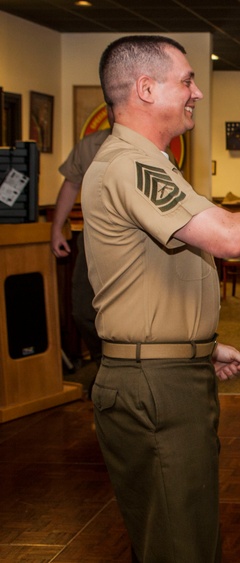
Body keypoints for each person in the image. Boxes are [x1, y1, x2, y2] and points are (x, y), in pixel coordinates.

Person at [83, 35, 240, 562]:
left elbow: (155, 271)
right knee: (182, 546)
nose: (197, 92)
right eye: (187, 80)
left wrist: (199, 345)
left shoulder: (149, 162)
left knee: (179, 534)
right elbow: (228, 238)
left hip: (169, 370)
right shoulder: (132, 164)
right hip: (154, 385)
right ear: (146, 89)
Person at [50, 110, 114, 391]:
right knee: (82, 310)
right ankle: (104, 364)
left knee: (128, 313)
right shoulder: (89, 145)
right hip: (93, 241)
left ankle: (119, 376)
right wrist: (56, 228)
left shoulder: (151, 143)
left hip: (137, 243)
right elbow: (71, 184)